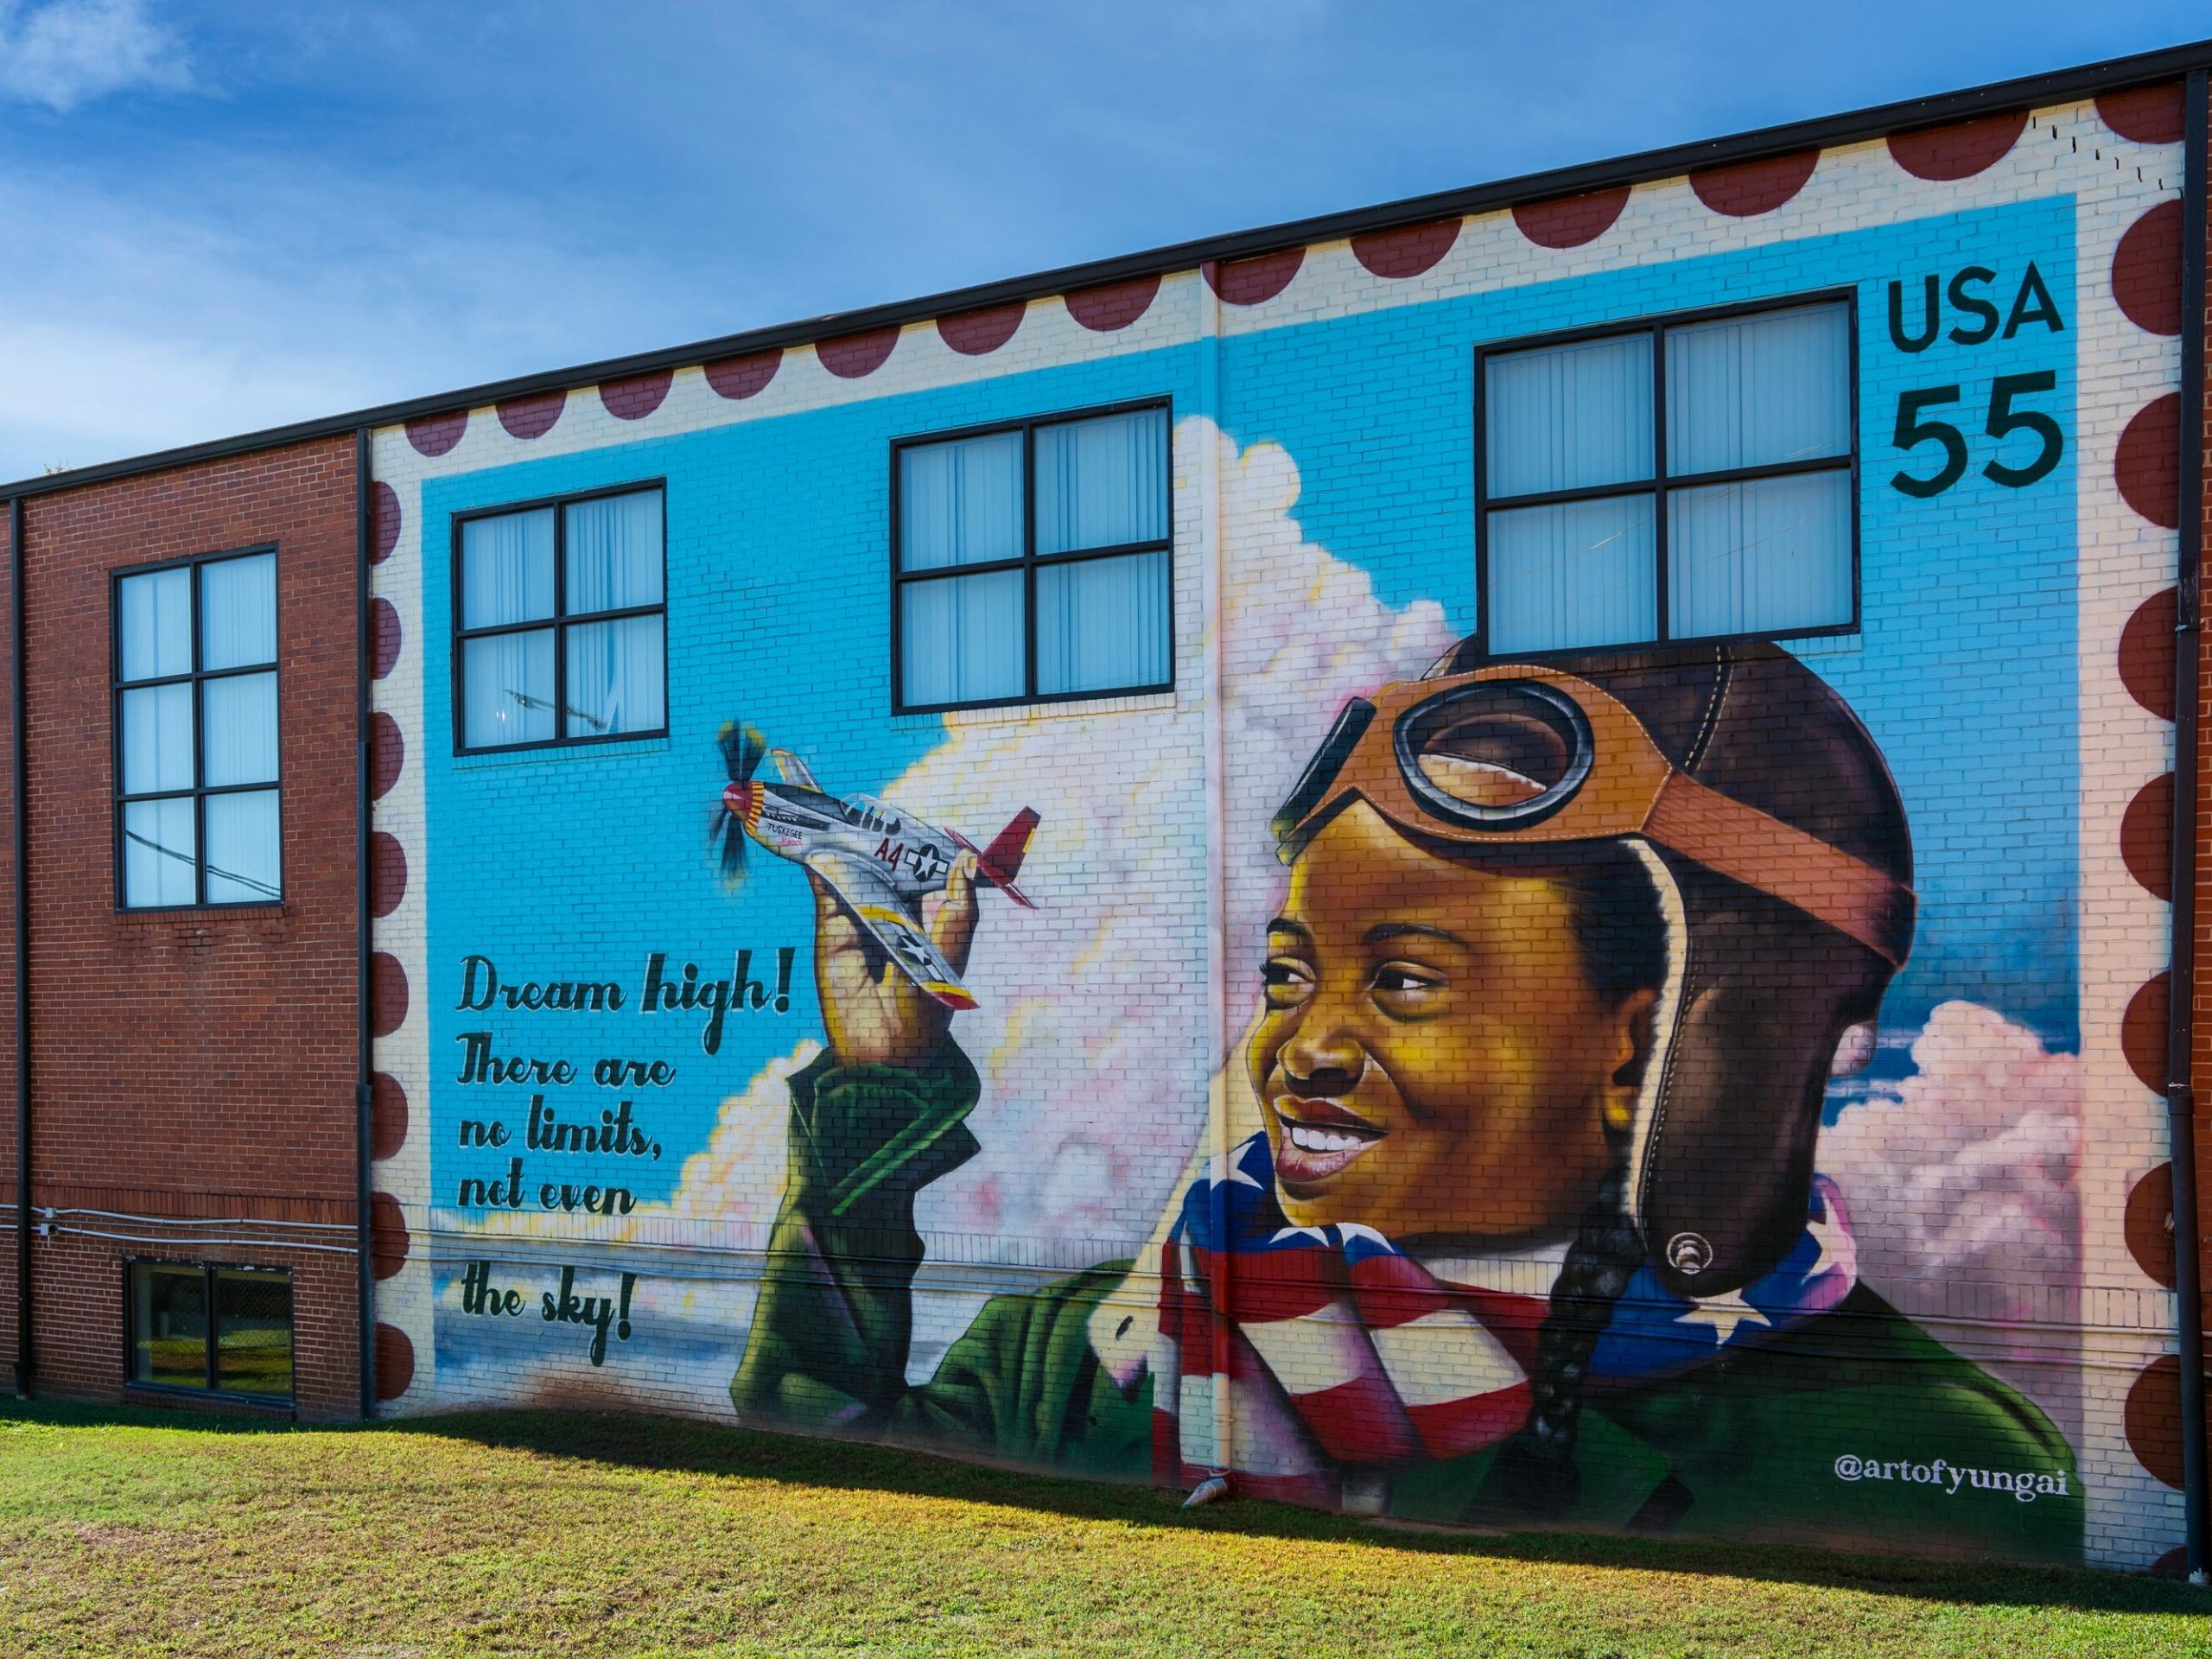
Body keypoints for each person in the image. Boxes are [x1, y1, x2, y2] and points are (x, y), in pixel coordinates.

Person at [732, 642, 2081, 1560]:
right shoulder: (1083, 1356)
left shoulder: (1896, 1460)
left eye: (1408, 983)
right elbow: (819, 1448)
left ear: (1662, 1053)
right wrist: (876, 1084)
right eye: (1288, 977)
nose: (1301, 1050)